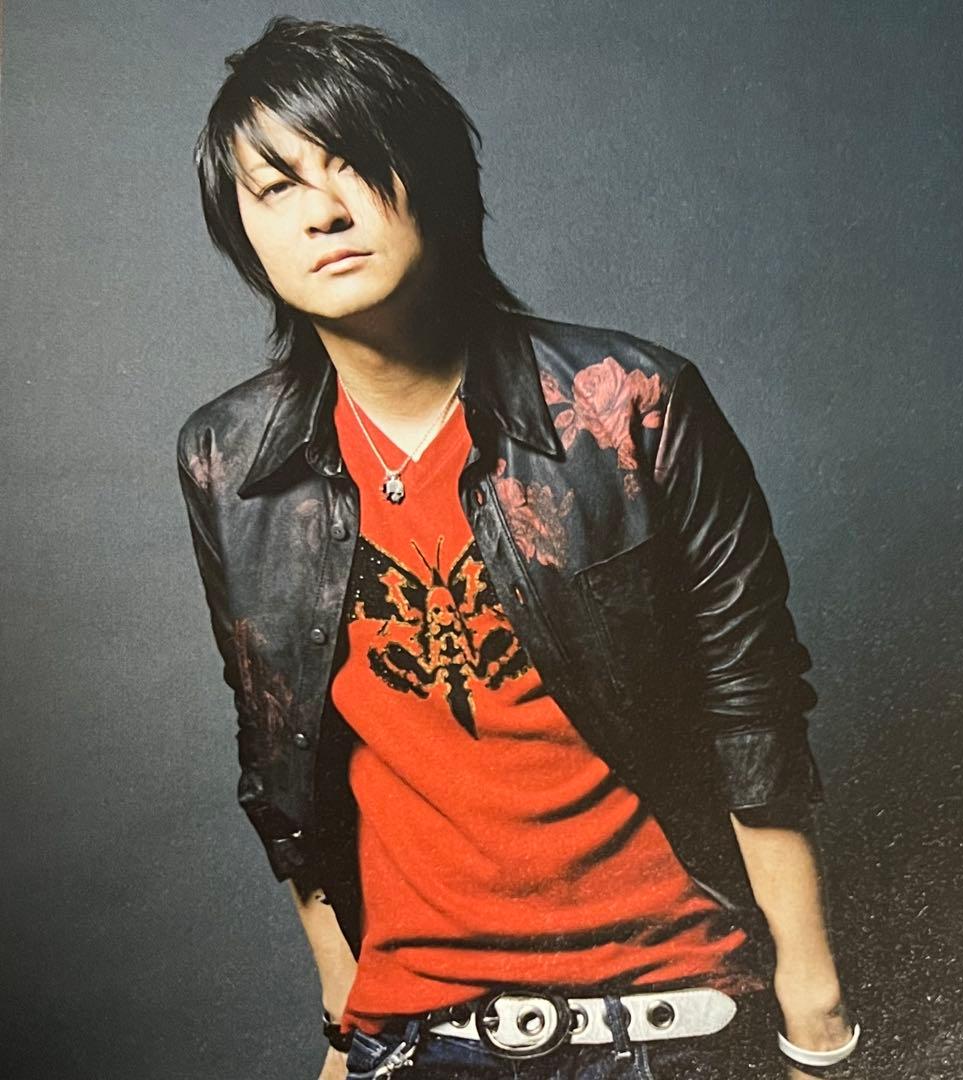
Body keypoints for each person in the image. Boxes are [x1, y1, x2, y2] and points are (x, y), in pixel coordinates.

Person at [178, 15, 861, 1080]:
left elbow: (753, 700)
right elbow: (276, 751)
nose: (323, 211)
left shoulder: (629, 408)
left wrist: (813, 1001)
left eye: (353, 164)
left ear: (436, 181)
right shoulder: (229, 460)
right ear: (244, 234)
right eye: (276, 187)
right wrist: (343, 1021)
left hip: (667, 1015)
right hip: (417, 1035)